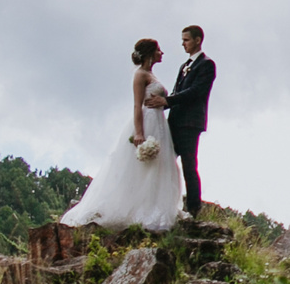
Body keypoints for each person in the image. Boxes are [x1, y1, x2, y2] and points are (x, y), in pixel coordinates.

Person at [59, 38, 180, 231]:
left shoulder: (151, 74)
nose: (162, 53)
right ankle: (136, 208)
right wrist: (139, 132)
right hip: (147, 122)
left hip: (159, 123)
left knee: (159, 166)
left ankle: (153, 205)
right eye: (158, 50)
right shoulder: (140, 75)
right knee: (142, 168)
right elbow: (137, 105)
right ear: (150, 53)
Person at [167, 24, 216, 216]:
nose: (183, 44)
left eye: (186, 40)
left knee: (189, 165)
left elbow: (195, 92)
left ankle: (194, 208)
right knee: (166, 163)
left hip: (190, 123)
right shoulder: (184, 66)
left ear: (198, 40)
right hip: (175, 121)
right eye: (182, 40)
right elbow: (177, 91)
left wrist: (168, 100)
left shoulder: (206, 64)